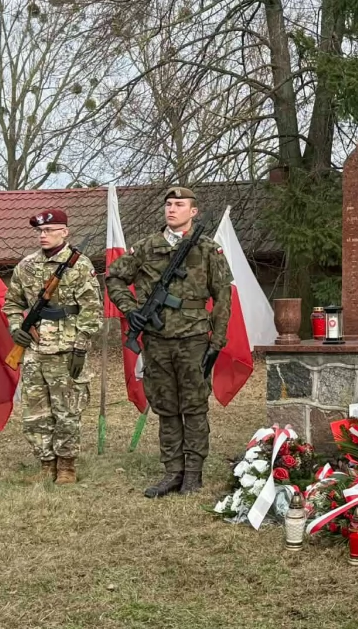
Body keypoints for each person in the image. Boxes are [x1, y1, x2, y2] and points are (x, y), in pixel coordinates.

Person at [106, 187, 232, 498]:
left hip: (193, 338)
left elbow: (223, 297)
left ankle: (193, 473)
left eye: (179, 204)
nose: (171, 209)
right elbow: (114, 277)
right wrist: (131, 310)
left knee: (194, 406)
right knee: (166, 406)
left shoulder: (207, 249)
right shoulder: (147, 247)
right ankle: (172, 471)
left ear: (193, 211)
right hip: (156, 339)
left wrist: (217, 341)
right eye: (168, 204)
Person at [3, 209, 102, 485]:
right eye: (40, 231)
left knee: (67, 410)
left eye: (49, 230)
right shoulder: (26, 265)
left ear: (64, 232)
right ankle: (46, 463)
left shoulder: (79, 265)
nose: (43, 235)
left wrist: (81, 346)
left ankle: (66, 465)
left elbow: (92, 309)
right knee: (35, 411)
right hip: (34, 350)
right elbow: (12, 303)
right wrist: (16, 328)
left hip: (66, 349)